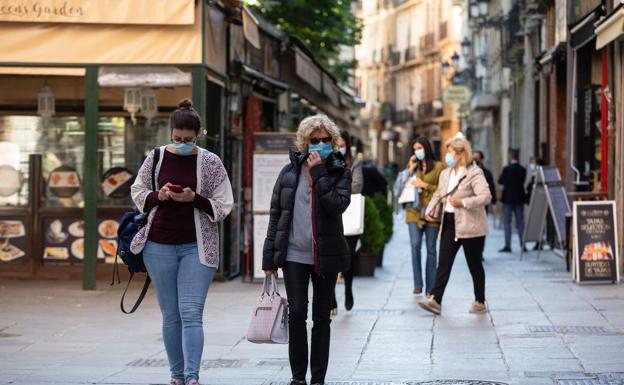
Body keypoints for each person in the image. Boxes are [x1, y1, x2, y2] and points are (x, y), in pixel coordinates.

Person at [130, 99, 234, 385]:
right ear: (171, 132)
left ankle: (192, 377)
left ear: (198, 134)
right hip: (158, 245)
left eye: (188, 139)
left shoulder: (211, 161)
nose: (183, 143)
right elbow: (138, 191)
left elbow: (225, 205)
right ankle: (176, 376)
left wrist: (194, 199)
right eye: (177, 138)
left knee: (191, 313)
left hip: (197, 247)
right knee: (170, 315)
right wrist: (159, 195)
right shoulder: (156, 157)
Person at [262, 115, 352, 385]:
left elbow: (337, 205)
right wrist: (269, 257)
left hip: (326, 254)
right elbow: (276, 215)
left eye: (326, 140)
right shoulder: (288, 172)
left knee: (321, 318)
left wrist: (319, 175)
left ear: (333, 143)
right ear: (304, 143)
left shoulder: (339, 171)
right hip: (293, 256)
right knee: (297, 313)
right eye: (315, 140)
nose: (321, 144)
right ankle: (298, 377)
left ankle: (318, 378)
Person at [417, 134, 491, 316]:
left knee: (474, 265)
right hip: (449, 223)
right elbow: (439, 195)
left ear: (461, 153)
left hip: (470, 225)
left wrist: (464, 203)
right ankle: (436, 300)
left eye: (450, 153)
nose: (447, 156)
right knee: (444, 263)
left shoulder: (474, 173)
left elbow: (486, 197)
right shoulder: (445, 174)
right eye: (447, 152)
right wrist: (429, 209)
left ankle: (480, 301)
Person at [404, 136, 444, 296]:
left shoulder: (440, 167)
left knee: (431, 249)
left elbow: (443, 190)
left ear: (426, 148)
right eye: (414, 149)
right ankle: (417, 284)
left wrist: (424, 185)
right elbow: (402, 188)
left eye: (419, 148)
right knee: (415, 247)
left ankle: (431, 288)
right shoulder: (414, 167)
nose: (417, 151)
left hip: (432, 212)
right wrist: (410, 169)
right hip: (414, 212)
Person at [330, 131, 363, 315]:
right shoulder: (328, 162)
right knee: (332, 259)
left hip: (349, 217)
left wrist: (337, 187)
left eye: (342, 144)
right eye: (337, 144)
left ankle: (348, 288)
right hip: (333, 216)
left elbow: (358, 185)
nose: (339, 148)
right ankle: (332, 298)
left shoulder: (355, 162)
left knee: (348, 258)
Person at [497, 148, 527, 252]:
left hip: (508, 199)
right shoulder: (522, 169)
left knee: (507, 222)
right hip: (519, 198)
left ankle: (508, 245)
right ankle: (523, 244)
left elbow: (500, 181)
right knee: (520, 222)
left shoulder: (506, 169)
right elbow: (523, 181)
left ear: (510, 157)